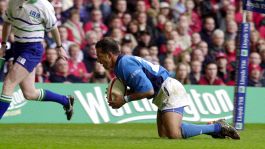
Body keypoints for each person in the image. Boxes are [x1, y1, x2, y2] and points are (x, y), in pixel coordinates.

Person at [95, 37, 240, 140]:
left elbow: (148, 90)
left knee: (174, 134)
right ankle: (212, 129)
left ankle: (217, 127)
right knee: (164, 136)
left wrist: (124, 99)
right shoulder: (120, 66)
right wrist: (123, 95)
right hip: (162, 94)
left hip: (169, 90)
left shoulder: (125, 64)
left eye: (100, 56)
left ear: (109, 55)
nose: (98, 60)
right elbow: (141, 87)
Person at [0, 0, 74, 120]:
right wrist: (3, 44)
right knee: (30, 93)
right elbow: (7, 23)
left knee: (9, 82)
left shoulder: (43, 5)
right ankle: (65, 100)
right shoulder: (13, 2)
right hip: (18, 47)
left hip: (32, 49)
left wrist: (60, 47)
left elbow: (53, 28)